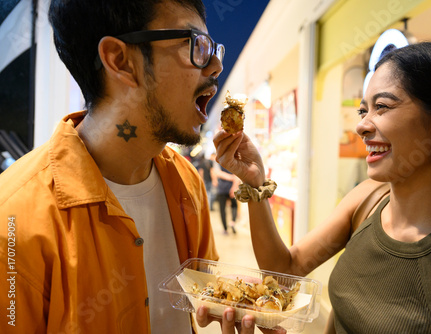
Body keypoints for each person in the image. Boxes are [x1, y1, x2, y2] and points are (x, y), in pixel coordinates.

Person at [0, 0, 263, 333]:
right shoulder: (13, 222)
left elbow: (197, 302)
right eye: (196, 45)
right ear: (120, 61)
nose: (215, 66)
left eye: (214, 49)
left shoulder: (188, 186)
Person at [210, 42, 431, 333]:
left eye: (383, 107)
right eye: (364, 111)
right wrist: (255, 183)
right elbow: (284, 270)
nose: (362, 126)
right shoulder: (368, 201)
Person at [214, 164, 239, 234]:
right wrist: (234, 186)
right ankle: (232, 222)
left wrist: (227, 177)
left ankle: (225, 229)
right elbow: (237, 176)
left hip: (221, 188)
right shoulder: (234, 161)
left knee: (222, 209)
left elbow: (217, 173)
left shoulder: (219, 161)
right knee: (234, 206)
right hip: (231, 187)